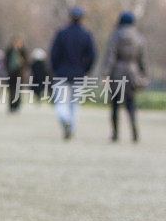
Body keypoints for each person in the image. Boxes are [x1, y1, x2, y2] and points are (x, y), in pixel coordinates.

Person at [100, 11, 148, 142]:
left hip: (117, 73)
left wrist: (105, 75)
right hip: (133, 74)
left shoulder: (115, 36)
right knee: (131, 104)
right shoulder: (139, 38)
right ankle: (134, 130)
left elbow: (110, 57)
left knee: (115, 105)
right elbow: (142, 60)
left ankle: (115, 133)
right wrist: (144, 75)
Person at [49, 7, 95, 140]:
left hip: (62, 73)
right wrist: (85, 70)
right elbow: (92, 56)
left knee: (61, 102)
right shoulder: (86, 35)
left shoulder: (61, 34)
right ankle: (72, 127)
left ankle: (65, 120)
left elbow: (54, 54)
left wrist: (56, 69)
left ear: (69, 17)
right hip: (79, 74)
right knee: (74, 104)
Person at [4, 36, 28, 113]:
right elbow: (6, 61)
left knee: (18, 90)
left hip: (19, 74)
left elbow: (26, 62)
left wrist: (22, 62)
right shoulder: (10, 51)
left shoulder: (22, 51)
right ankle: (11, 106)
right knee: (11, 91)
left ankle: (17, 106)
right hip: (11, 74)